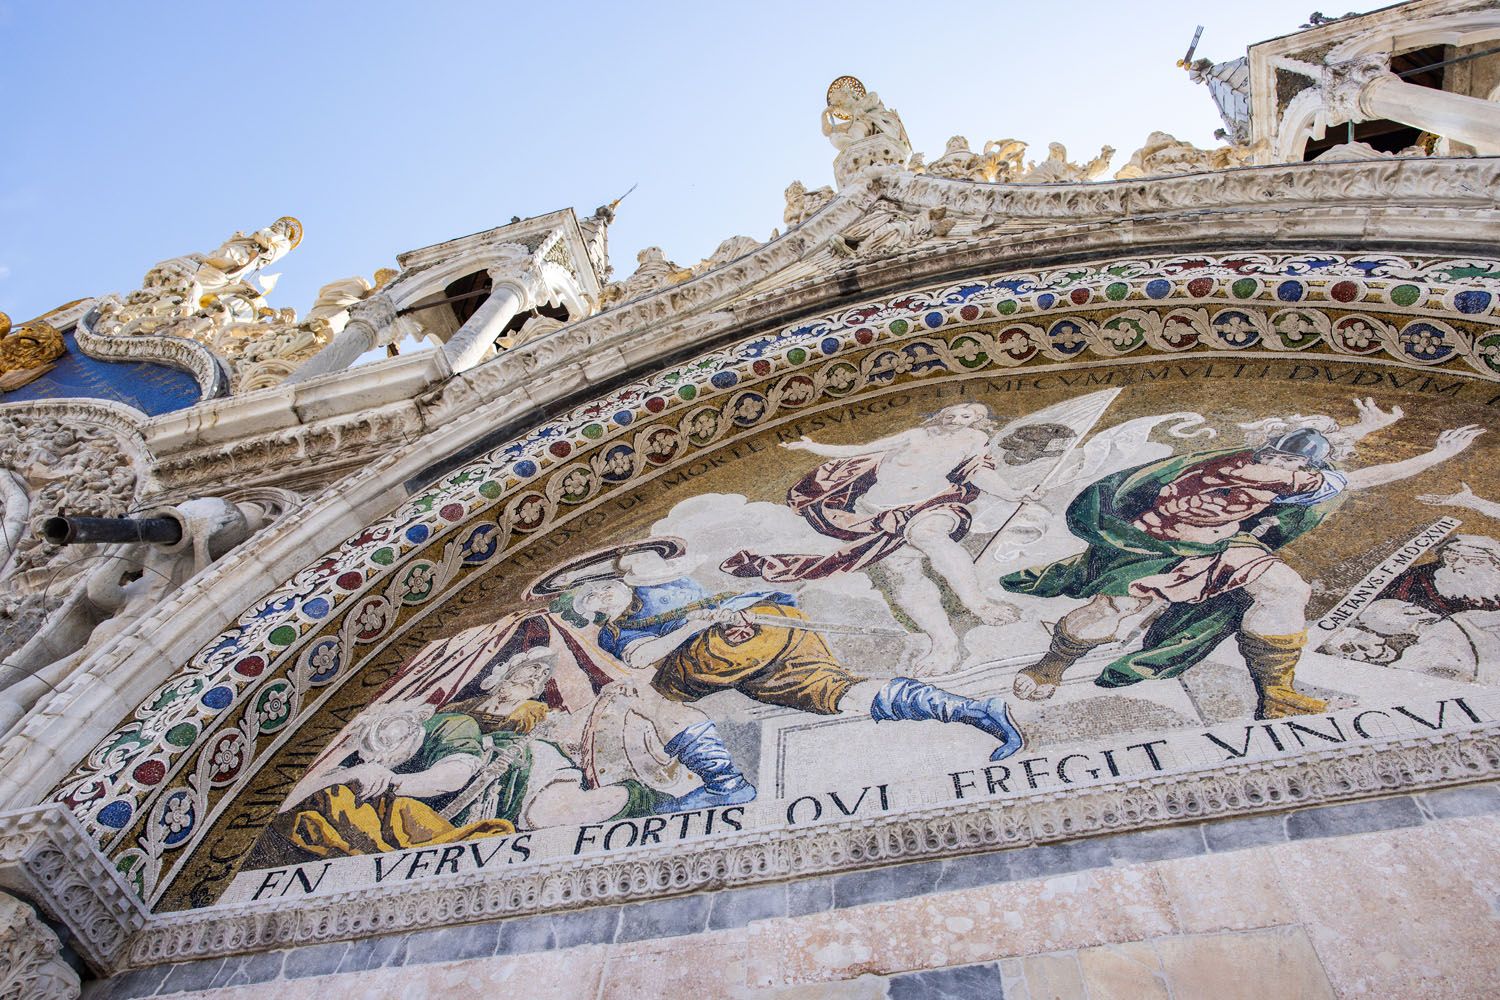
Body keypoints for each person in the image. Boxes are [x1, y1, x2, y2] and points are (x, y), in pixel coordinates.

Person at [1001, 423, 1484, 719]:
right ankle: (1051, 666)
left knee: (1284, 589)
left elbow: (1324, 472)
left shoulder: (1256, 462)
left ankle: (1278, 695)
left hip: (1223, 548)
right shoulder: (1264, 472)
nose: (1281, 464)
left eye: (1289, 459)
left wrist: (1357, 435)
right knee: (1113, 609)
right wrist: (1436, 457)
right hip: (1156, 548)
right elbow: (1355, 479)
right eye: (1281, 458)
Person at [592, 548, 1025, 762]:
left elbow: (646, 658)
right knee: (840, 693)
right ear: (591, 608)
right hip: (760, 633)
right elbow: (638, 655)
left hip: (733, 646)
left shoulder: (648, 589)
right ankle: (972, 711)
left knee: (655, 697)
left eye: (606, 585)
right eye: (596, 594)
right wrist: (706, 621)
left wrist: (714, 621)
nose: (604, 591)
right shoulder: (614, 631)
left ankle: (722, 783)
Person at [722, 402, 1044, 673]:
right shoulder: (917, 434)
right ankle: (943, 644)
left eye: (967, 415)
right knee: (903, 576)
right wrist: (812, 447)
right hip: (881, 514)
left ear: (978, 422)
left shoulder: (972, 440)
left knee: (928, 534)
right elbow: (860, 449)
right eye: (954, 412)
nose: (957, 418)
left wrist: (1014, 494)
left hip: (932, 505)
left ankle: (978, 602)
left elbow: (979, 472)